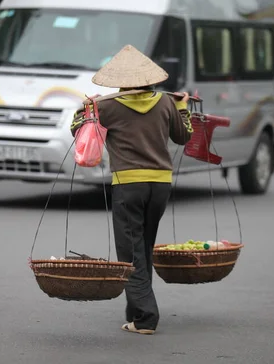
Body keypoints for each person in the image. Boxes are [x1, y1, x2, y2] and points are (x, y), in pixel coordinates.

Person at [70, 44, 193, 335]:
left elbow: (78, 128)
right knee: (143, 249)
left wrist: (86, 108)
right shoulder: (165, 103)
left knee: (131, 253)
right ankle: (135, 312)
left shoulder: (109, 106)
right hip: (160, 185)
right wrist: (182, 107)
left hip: (129, 186)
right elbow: (183, 135)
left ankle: (147, 317)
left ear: (122, 81)